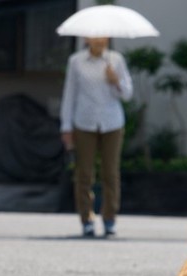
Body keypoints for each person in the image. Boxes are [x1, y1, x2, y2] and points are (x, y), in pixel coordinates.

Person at [60, 37, 133, 237]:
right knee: (84, 173)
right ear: (87, 39)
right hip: (84, 121)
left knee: (110, 172)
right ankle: (86, 219)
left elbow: (127, 94)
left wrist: (115, 80)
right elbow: (70, 94)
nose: (99, 40)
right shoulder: (76, 61)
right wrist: (66, 126)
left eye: (103, 36)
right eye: (95, 36)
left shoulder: (116, 60)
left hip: (112, 122)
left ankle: (109, 218)